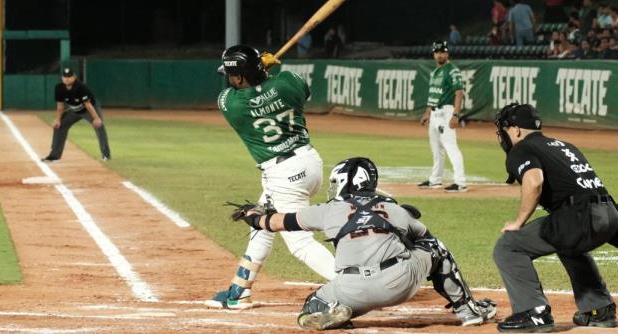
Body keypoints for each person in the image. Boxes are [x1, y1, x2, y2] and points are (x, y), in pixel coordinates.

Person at [230, 157, 497, 330]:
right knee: (437, 248)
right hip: (399, 283)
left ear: (348, 182)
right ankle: (468, 310)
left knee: (311, 306)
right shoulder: (394, 209)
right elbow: (426, 239)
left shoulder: (328, 211)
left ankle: (335, 312)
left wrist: (252, 217)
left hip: (351, 288)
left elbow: (275, 223)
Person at [205, 45, 336, 309]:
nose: (229, 80)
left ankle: (352, 285)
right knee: (261, 223)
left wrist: (261, 72)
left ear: (239, 77)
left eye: (232, 75)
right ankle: (240, 290)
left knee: (299, 243)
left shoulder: (231, 103)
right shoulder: (287, 83)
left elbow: (243, 92)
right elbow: (299, 88)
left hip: (283, 174)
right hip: (309, 163)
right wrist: (267, 73)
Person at [492, 103, 618, 332]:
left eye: (504, 130)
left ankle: (533, 313)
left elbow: (534, 182)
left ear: (516, 129)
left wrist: (518, 222)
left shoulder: (521, 149)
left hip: (582, 216)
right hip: (611, 215)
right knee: (568, 243)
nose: (503, 136)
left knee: (508, 246)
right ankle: (600, 309)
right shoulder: (563, 145)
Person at [419, 41, 467, 192]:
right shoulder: (435, 72)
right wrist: (427, 112)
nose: (439, 54)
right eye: (437, 52)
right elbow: (433, 94)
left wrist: (456, 114)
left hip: (446, 112)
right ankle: (435, 179)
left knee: (451, 146)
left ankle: (460, 182)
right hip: (434, 113)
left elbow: (459, 93)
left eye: (442, 52)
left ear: (447, 54)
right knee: (436, 148)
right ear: (434, 54)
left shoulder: (452, 70)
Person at [42, 68, 111, 162]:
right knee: (59, 125)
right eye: (64, 77)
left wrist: (96, 118)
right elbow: (60, 106)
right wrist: (57, 119)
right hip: (75, 110)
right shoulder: (59, 88)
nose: (66, 79)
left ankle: (106, 155)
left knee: (99, 126)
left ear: (74, 77)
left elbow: (88, 104)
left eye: (69, 76)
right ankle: (54, 156)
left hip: (89, 109)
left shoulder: (80, 87)